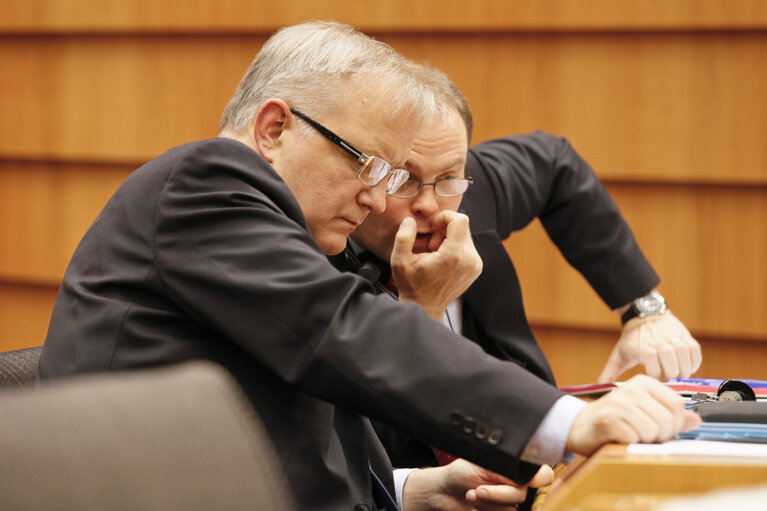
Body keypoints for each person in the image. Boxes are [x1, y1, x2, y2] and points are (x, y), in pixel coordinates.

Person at [38, 21, 700, 511]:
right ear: (273, 129)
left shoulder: (282, 226)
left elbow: (308, 409)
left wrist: (407, 488)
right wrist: (560, 422)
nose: (383, 199)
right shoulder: (206, 185)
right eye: (369, 166)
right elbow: (345, 332)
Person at [345, 62, 703, 470]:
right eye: (403, 179)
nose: (429, 203)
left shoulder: (462, 188)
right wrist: (418, 313)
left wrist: (642, 307)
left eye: (449, 177)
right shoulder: (312, 257)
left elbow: (555, 163)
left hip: (531, 465)